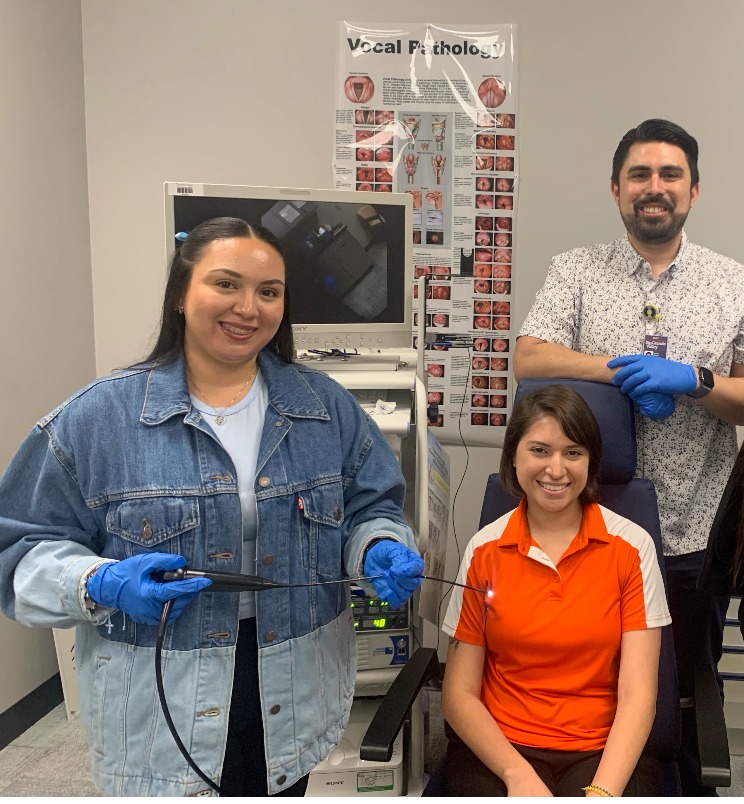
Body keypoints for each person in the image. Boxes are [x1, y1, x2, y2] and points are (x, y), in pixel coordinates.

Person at [0, 217, 423, 797]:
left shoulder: (325, 409)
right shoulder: (97, 421)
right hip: (160, 703)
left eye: (268, 291)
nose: (248, 308)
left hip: (293, 690)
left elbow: (372, 505)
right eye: (226, 284)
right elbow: (17, 549)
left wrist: (378, 545)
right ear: (181, 293)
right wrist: (98, 581)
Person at [514, 118, 744, 795]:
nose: (654, 187)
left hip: (692, 534)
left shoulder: (733, 283)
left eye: (671, 174)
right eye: (639, 174)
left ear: (693, 191)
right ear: (616, 189)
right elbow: (530, 357)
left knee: (685, 698)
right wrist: (620, 369)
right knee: (587, 689)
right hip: (585, 527)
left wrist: (696, 380)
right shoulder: (576, 271)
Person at [441, 385, 670, 797]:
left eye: (573, 453)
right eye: (540, 450)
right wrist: (516, 774)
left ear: (590, 462)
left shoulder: (633, 547)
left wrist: (602, 793)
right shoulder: (484, 550)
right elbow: (459, 693)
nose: (556, 469)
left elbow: (638, 695)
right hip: (502, 746)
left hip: (602, 749)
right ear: (514, 456)